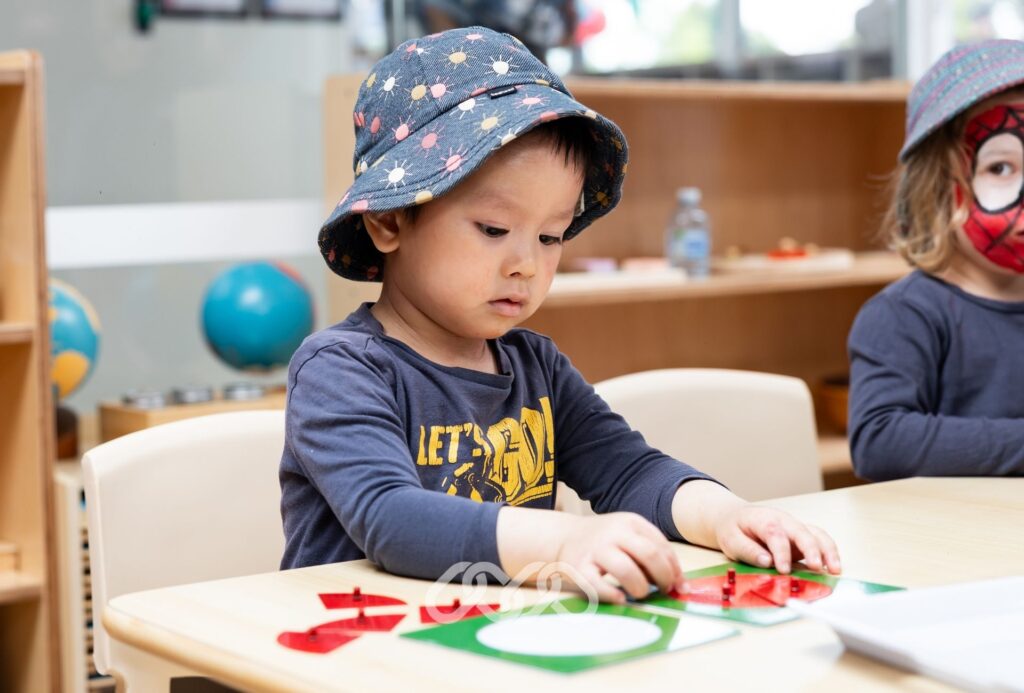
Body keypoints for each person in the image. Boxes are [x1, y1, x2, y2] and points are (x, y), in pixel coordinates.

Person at [280, 26, 840, 603]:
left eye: (551, 236)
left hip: (488, 640)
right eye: (494, 230)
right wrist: (566, 540)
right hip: (356, 649)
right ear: (390, 221)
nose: (526, 263)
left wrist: (727, 516)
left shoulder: (535, 366)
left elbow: (627, 471)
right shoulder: (339, 370)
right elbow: (390, 518)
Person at [849, 39, 1024, 480]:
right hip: (945, 539)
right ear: (937, 190)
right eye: (1001, 168)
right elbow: (880, 441)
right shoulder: (904, 315)